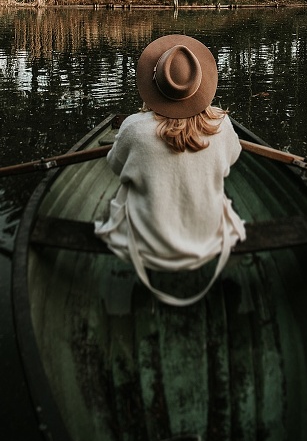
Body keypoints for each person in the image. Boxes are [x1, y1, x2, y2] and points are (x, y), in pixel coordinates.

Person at [94, 33, 246, 306]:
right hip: (209, 239)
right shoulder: (222, 126)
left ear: (155, 85)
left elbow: (115, 166)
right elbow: (232, 160)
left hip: (146, 245)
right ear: (199, 85)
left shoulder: (133, 128)